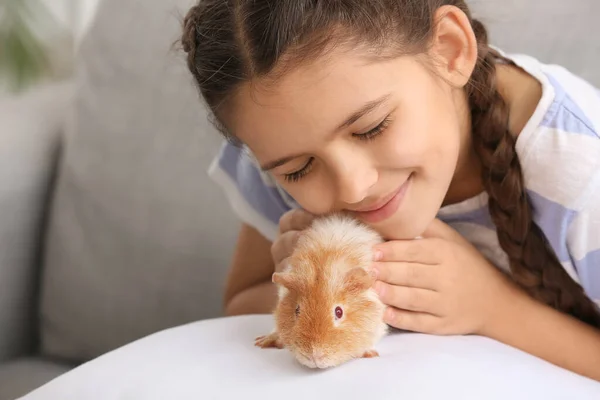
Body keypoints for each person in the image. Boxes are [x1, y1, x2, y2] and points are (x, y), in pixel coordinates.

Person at [180, 0, 600, 381]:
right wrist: (306, 292)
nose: (353, 187)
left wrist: (492, 307)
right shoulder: (277, 137)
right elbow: (241, 300)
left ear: (450, 50)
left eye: (371, 128)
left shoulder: (580, 173)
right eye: (299, 169)